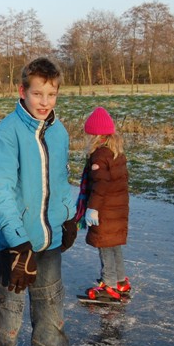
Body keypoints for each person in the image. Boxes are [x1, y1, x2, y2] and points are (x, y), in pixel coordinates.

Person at [0, 57, 92, 346]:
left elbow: (60, 182)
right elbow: (0, 193)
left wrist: (68, 219)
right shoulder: (5, 134)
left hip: (47, 245)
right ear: (22, 91)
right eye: (37, 93)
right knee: (8, 325)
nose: (45, 101)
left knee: (51, 319)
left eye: (51, 94)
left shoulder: (58, 131)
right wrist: (18, 243)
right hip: (15, 250)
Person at [77, 107, 130, 300]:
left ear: (97, 135)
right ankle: (120, 281)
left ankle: (109, 285)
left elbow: (100, 185)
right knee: (114, 245)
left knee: (105, 246)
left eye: (90, 135)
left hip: (105, 211)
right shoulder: (116, 153)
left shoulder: (100, 156)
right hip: (117, 210)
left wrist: (92, 208)